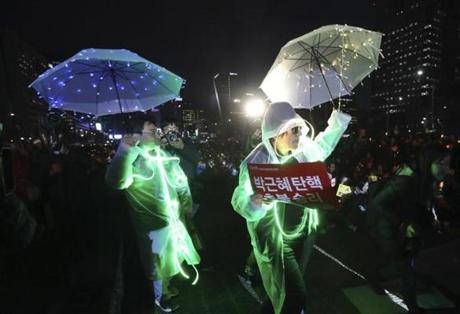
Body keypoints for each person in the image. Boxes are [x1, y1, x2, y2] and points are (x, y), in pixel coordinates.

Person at [232, 102, 351, 314]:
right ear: (276, 133)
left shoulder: (304, 148)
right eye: (293, 130)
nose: (299, 134)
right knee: (294, 296)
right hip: (275, 238)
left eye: (299, 129)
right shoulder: (257, 161)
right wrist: (253, 202)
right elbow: (239, 198)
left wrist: (338, 120)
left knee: (281, 291)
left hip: (303, 232)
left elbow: (322, 146)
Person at [105, 120, 200, 312]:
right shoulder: (133, 160)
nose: (158, 134)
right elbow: (116, 181)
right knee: (157, 264)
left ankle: (166, 288)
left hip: (174, 221)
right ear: (137, 136)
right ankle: (160, 300)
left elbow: (180, 181)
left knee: (174, 257)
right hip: (152, 227)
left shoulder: (164, 155)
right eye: (152, 131)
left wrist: (186, 204)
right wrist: (124, 150)